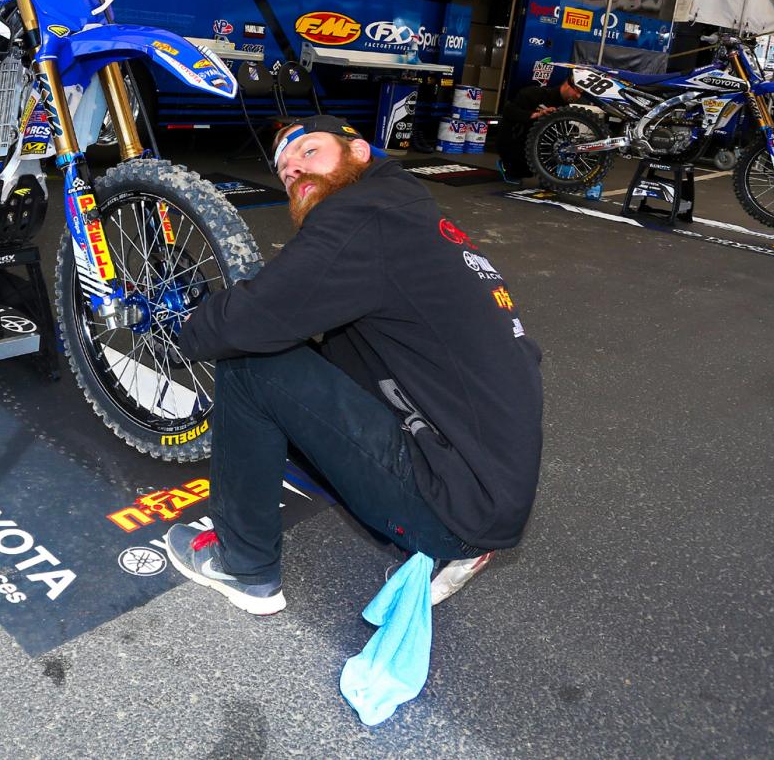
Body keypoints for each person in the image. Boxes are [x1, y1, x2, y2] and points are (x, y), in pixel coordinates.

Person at [166, 114, 543, 615]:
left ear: (359, 153)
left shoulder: (358, 217)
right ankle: (453, 538)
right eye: (282, 168)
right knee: (309, 362)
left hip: (456, 505)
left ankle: (244, 566)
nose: (293, 169)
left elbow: (249, 323)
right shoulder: (407, 215)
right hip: (487, 483)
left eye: (309, 151)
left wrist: (181, 327)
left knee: (250, 365)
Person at [493, 75, 581, 182]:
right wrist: (536, 115)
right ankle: (507, 165)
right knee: (519, 173)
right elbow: (509, 111)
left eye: (581, 94)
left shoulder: (565, 108)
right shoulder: (533, 93)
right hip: (515, 140)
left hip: (536, 145)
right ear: (567, 85)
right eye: (577, 91)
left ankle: (548, 172)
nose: (578, 96)